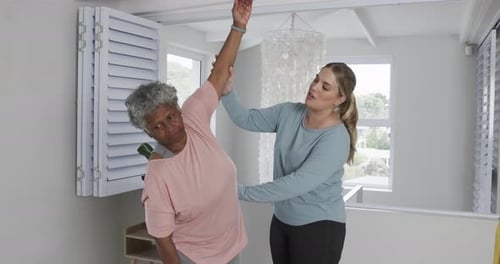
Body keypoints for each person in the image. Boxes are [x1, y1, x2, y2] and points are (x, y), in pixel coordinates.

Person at [124, 0, 253, 263]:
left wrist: (238, 26)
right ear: (149, 134)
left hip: (231, 248)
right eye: (157, 126)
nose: (169, 129)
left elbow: (218, 74)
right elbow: (163, 239)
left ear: (179, 110)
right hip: (197, 258)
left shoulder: (194, 118)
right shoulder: (158, 176)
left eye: (171, 117)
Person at [221, 62, 358, 264]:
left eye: (325, 87)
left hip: (319, 226)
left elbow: (295, 183)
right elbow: (246, 119)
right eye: (316, 79)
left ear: (339, 99)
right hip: (282, 221)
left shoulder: (335, 139)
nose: (314, 87)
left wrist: (237, 192)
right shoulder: (289, 112)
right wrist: (227, 91)